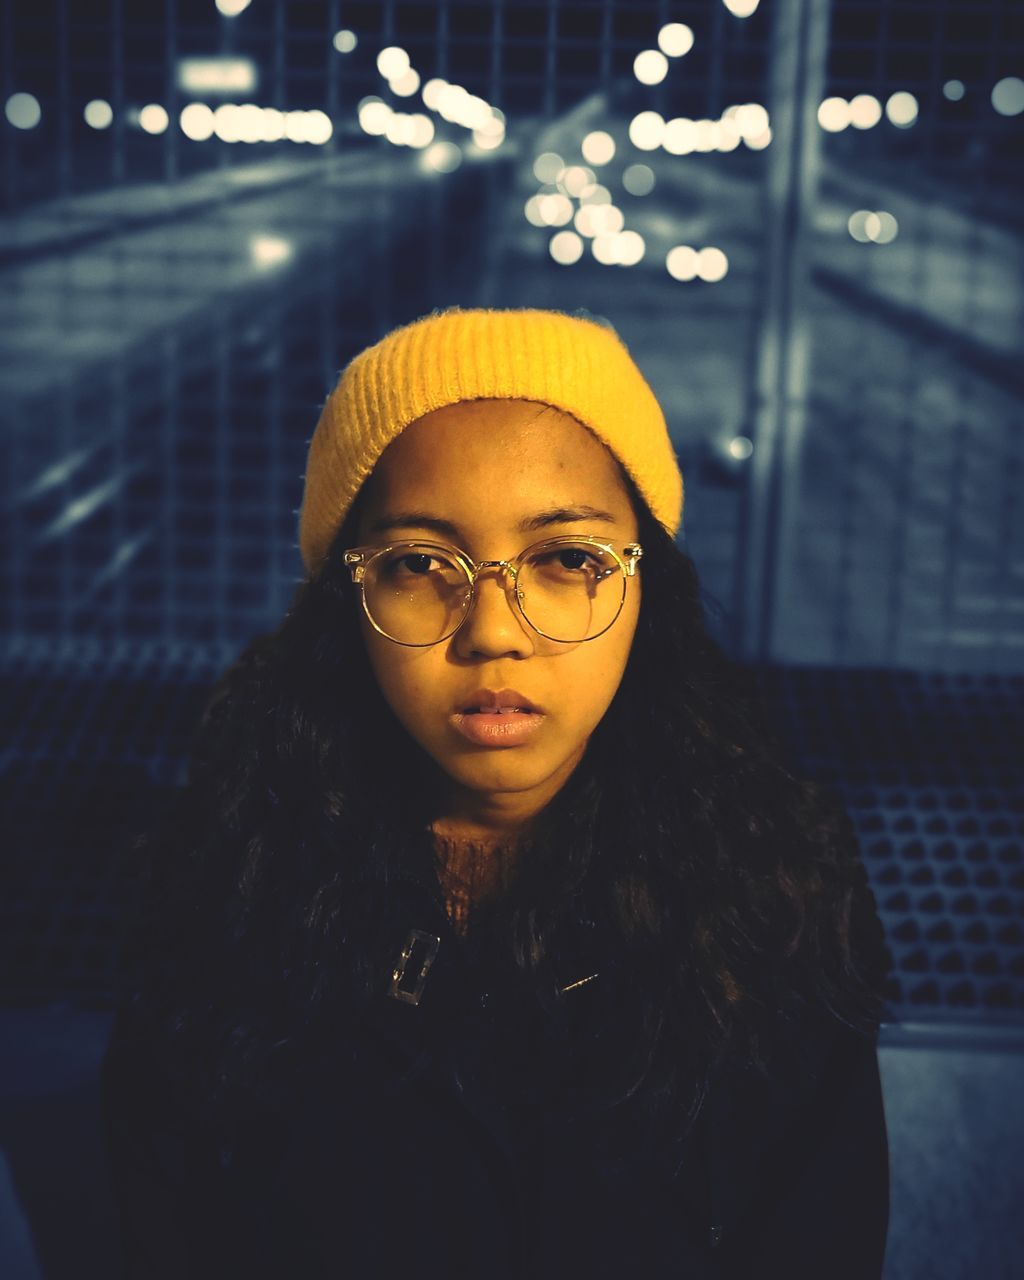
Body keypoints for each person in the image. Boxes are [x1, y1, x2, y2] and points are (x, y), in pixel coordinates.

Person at [100, 306, 892, 1279]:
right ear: (346, 599)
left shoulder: (782, 877)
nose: (492, 631)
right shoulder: (227, 875)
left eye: (566, 560)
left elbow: (820, 1228)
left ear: (648, 588)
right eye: (420, 564)